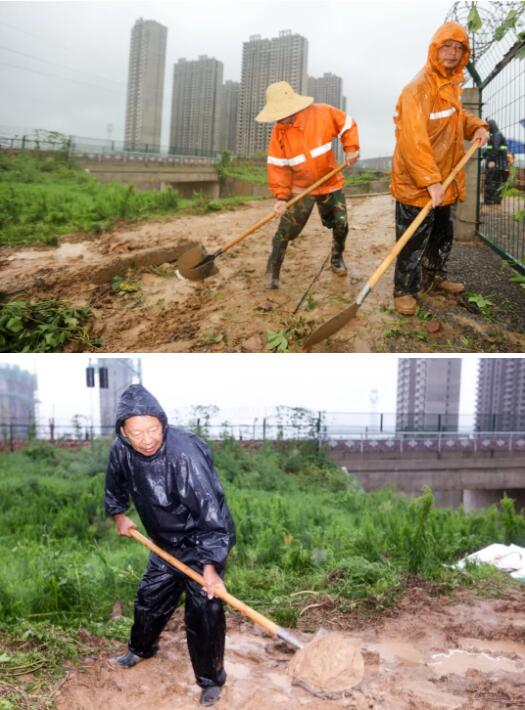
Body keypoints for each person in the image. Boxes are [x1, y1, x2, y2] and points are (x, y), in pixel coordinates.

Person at [105, 384, 236, 707]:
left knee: (205, 611)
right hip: (163, 544)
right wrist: (118, 514)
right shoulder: (122, 450)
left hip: (199, 542)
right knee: (149, 599)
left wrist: (210, 567)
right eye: (137, 432)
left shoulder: (185, 456)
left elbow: (212, 515)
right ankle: (141, 649)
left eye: (153, 429)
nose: (147, 439)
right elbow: (114, 485)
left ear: (163, 423)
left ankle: (210, 681)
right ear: (123, 431)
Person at [390, 21, 489, 316]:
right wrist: (430, 180)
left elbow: (457, 118)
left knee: (441, 234)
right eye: (446, 46)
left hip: (442, 179)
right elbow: (412, 141)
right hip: (417, 182)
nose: (452, 53)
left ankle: (434, 277)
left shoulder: (449, 84)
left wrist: (478, 126)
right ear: (435, 48)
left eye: (459, 48)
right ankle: (403, 290)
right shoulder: (418, 88)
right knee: (412, 240)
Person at [255, 81, 360, 289]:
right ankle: (272, 269)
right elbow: (279, 167)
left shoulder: (321, 113)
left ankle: (337, 258)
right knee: (286, 230)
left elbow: (347, 124)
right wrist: (281, 198)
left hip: (329, 182)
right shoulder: (279, 133)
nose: (281, 118)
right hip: (301, 188)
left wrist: (350, 148)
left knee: (340, 223)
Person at [484, 119, 511, 205]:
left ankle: (490, 200)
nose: (487, 129)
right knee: (497, 182)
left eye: (487, 126)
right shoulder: (496, 135)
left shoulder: (496, 135)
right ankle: (496, 200)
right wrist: (485, 154)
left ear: (491, 126)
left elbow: (495, 149)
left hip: (496, 163)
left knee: (492, 181)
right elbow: (492, 148)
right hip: (500, 163)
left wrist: (491, 160)